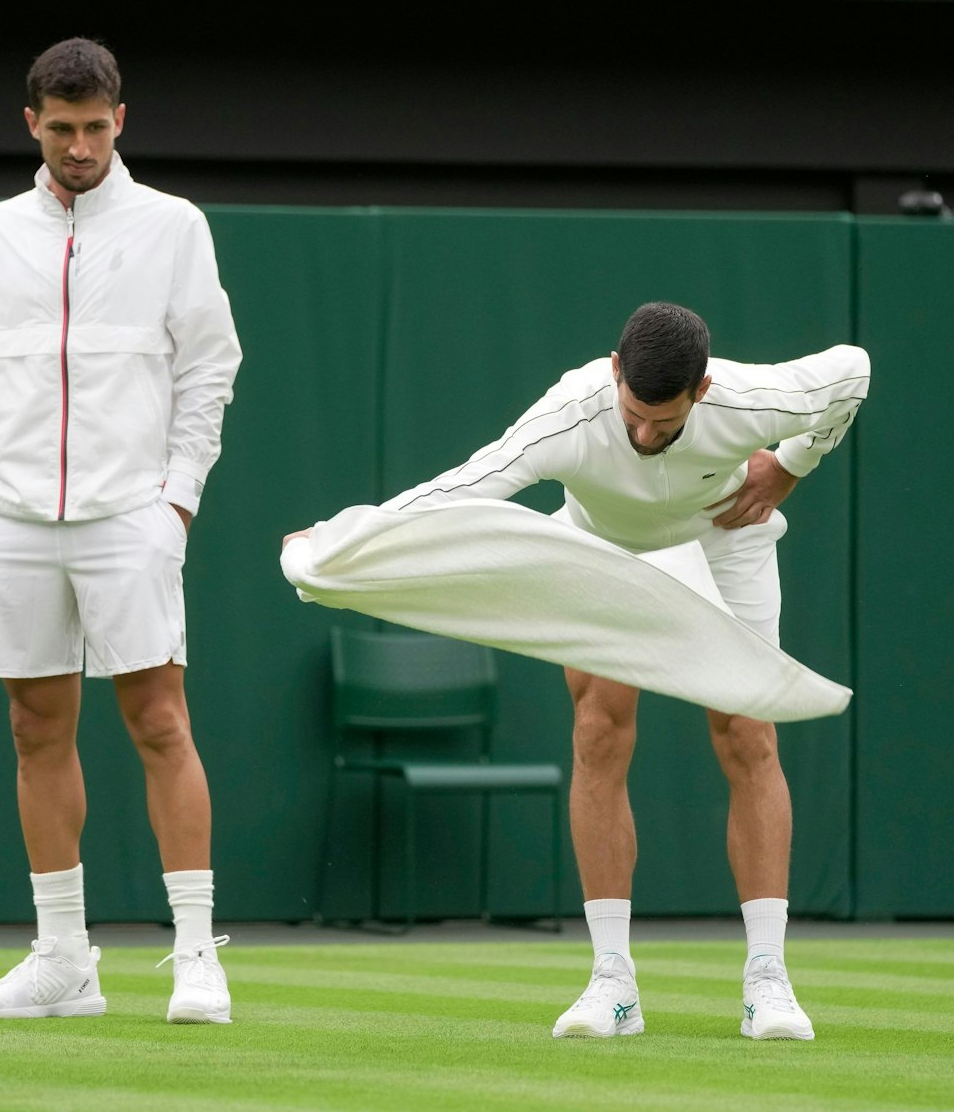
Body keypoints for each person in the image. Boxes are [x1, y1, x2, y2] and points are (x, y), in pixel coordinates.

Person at [295, 301, 868, 1040]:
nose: (642, 435)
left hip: (727, 541)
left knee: (747, 734)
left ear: (702, 391)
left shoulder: (752, 397)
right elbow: (467, 485)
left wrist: (791, 464)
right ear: (614, 370)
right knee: (599, 730)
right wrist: (345, 538)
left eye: (663, 424)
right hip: (604, 552)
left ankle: (768, 979)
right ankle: (613, 983)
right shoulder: (570, 413)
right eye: (633, 413)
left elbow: (853, 370)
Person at [0, 36, 243, 1024]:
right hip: (11, 520)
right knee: (35, 729)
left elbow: (207, 369)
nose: (78, 145)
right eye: (60, 129)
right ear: (31, 124)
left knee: (159, 721)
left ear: (121, 120)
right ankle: (63, 961)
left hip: (129, 518)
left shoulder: (173, 226)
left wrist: (175, 503)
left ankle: (196, 955)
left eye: (94, 127)